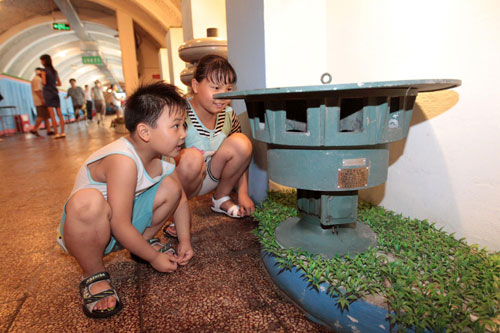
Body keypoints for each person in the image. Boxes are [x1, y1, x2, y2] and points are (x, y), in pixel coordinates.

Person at [56, 82, 194, 318]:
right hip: (88, 232)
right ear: (144, 132)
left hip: (123, 227)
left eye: (184, 125)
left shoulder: (165, 158)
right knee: (88, 202)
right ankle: (94, 274)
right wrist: (154, 259)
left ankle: (140, 244)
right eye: (175, 126)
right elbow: (119, 223)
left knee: (172, 188)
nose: (183, 133)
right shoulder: (122, 160)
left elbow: (180, 200)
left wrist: (185, 242)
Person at [166, 55, 254, 237]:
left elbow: (243, 159)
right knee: (191, 157)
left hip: (211, 176)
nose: (222, 95)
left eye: (228, 89)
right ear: (196, 86)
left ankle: (220, 198)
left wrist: (243, 193)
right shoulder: (180, 113)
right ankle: (175, 212)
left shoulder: (228, 115)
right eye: (215, 88)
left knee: (242, 142)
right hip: (181, 181)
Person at [40, 54, 65, 139]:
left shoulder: (43, 71)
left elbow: (44, 82)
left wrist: (42, 78)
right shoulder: (55, 71)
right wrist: (53, 84)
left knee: (52, 115)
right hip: (55, 93)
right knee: (59, 114)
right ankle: (63, 132)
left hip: (48, 93)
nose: (41, 62)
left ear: (44, 61)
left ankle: (56, 133)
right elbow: (59, 83)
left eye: (42, 61)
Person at [29, 67, 51, 136]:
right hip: (39, 101)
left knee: (46, 116)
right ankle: (34, 129)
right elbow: (37, 90)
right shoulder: (37, 79)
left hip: (42, 100)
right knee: (41, 116)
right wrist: (42, 99)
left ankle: (49, 130)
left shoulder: (39, 79)